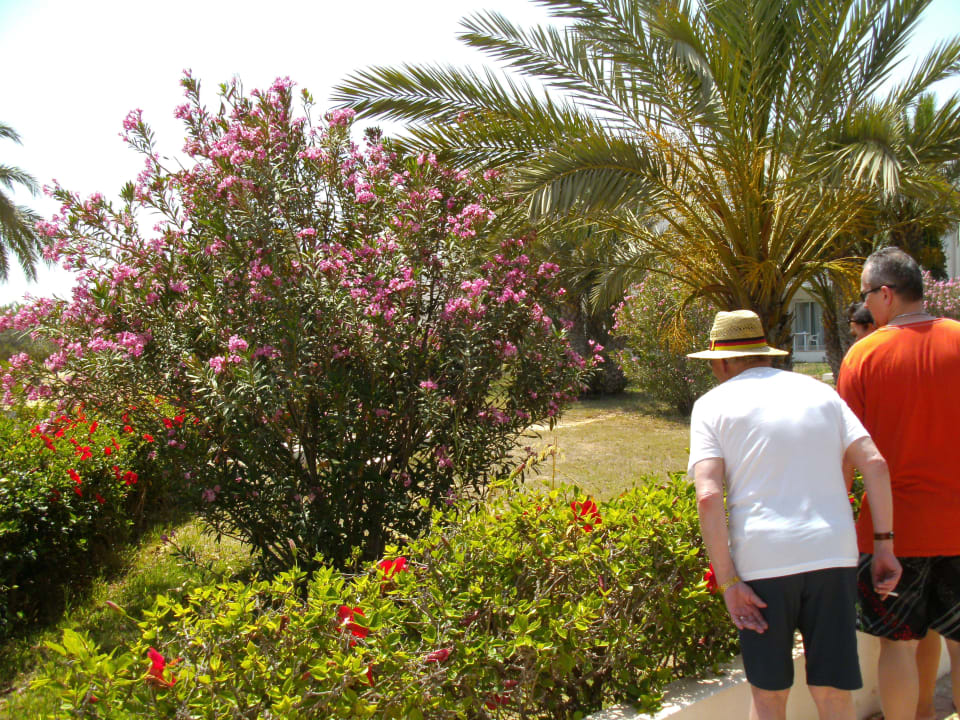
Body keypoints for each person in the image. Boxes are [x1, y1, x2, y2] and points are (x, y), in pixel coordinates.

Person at [688, 309, 900, 720]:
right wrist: (884, 546)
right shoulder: (821, 393)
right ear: (765, 353)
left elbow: (708, 496)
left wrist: (729, 581)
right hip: (833, 554)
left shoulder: (711, 406)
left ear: (722, 361)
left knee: (769, 697)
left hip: (763, 561)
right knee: (834, 693)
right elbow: (874, 464)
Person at [838, 246, 960, 720]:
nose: (866, 306)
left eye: (867, 295)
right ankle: (927, 710)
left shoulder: (864, 356)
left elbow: (849, 454)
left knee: (897, 644)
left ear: (886, 293)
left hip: (893, 533)